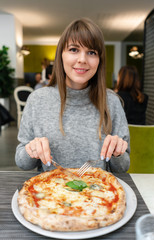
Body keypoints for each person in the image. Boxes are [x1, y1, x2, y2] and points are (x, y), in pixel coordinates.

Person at [15, 18, 130, 173]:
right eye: (74, 49)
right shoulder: (37, 99)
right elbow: (22, 162)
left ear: (99, 60)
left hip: (100, 193)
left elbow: (123, 167)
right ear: (61, 55)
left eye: (91, 52)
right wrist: (31, 150)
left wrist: (118, 152)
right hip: (50, 192)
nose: (82, 59)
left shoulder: (112, 102)